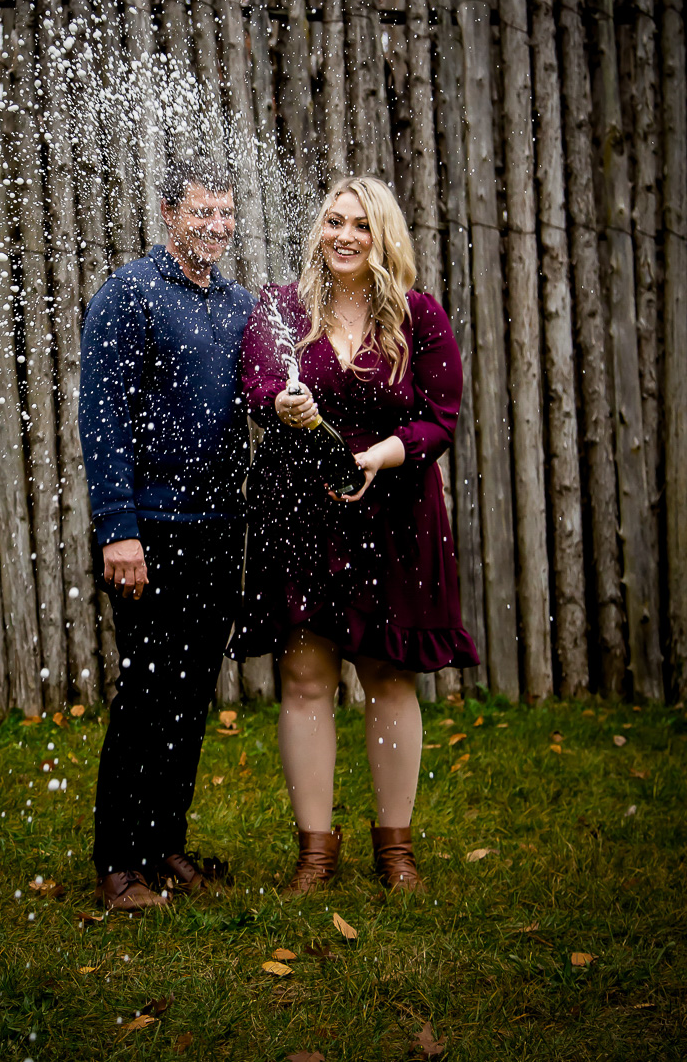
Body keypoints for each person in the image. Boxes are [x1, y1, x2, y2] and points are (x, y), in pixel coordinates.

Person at [232, 176, 479, 895]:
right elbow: (254, 388)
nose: (344, 235)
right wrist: (283, 403)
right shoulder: (281, 309)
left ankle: (395, 850)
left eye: (361, 225)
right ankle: (315, 852)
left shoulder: (418, 316)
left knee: (388, 675)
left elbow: (441, 416)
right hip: (300, 513)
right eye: (333, 222)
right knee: (306, 677)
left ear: (383, 236)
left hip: (394, 513)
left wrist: (380, 455)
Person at [79, 158, 255, 912]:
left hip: (220, 529)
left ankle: (165, 844)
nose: (213, 227)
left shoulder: (241, 304)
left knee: (190, 694)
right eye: (200, 213)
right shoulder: (128, 296)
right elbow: (103, 418)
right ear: (167, 213)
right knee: (148, 694)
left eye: (225, 214)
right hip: (150, 532)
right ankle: (119, 862)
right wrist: (119, 530)